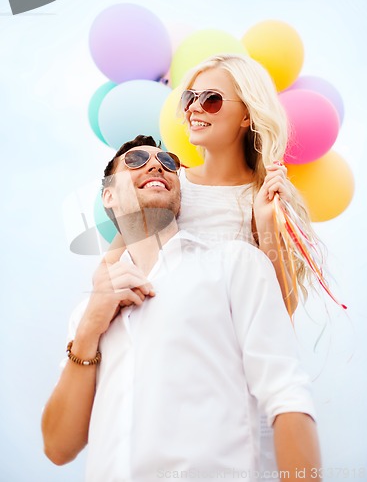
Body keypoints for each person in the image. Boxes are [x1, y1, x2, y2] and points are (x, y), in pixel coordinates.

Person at [42, 135, 321, 482]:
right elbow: (58, 447)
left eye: (170, 162)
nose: (157, 164)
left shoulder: (236, 264)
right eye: (136, 159)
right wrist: (87, 330)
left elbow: (287, 395)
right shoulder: (87, 312)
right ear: (108, 195)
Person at [103, 53, 316, 315]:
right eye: (189, 97)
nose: (193, 108)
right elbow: (106, 272)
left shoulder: (263, 198)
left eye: (211, 99)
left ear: (246, 115)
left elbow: (282, 310)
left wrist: (266, 221)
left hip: (217, 346)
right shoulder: (168, 184)